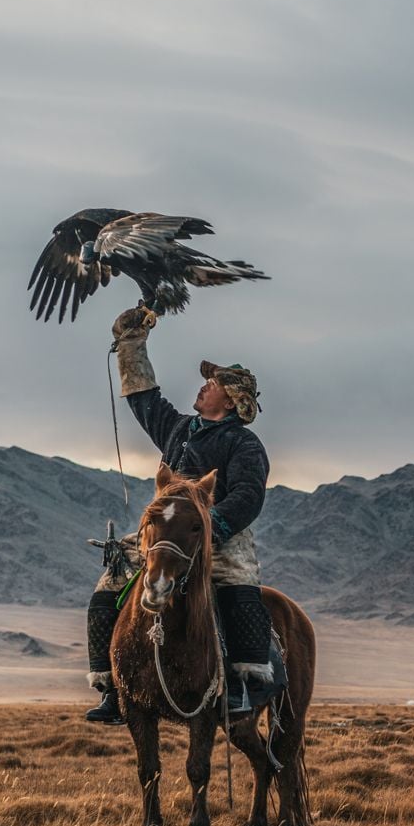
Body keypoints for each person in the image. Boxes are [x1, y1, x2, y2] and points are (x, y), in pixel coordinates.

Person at [84, 307, 275, 723]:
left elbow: (247, 495)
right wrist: (132, 343)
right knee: (108, 589)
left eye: (214, 383)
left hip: (218, 535)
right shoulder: (178, 428)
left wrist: (211, 528)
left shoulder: (244, 444)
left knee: (237, 590)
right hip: (164, 532)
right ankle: (113, 689)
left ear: (231, 400)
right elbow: (143, 398)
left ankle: (240, 687)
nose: (205, 385)